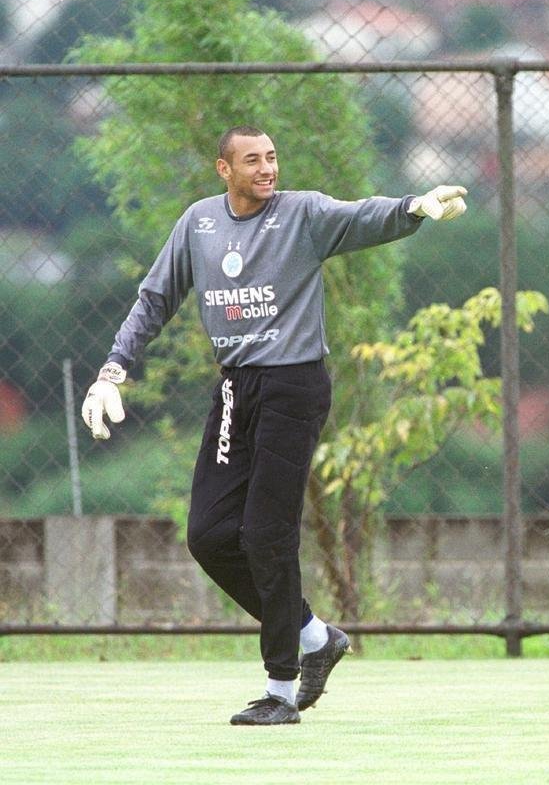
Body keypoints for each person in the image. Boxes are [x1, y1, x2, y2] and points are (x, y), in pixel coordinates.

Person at [82, 125, 467, 725]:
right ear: (223, 169)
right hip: (237, 387)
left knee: (266, 533)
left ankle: (281, 690)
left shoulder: (302, 215)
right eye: (253, 160)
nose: (267, 169)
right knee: (209, 536)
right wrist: (112, 371)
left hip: (294, 385)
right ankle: (315, 636)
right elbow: (155, 298)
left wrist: (414, 206)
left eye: (272, 158)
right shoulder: (199, 224)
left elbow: (361, 217)